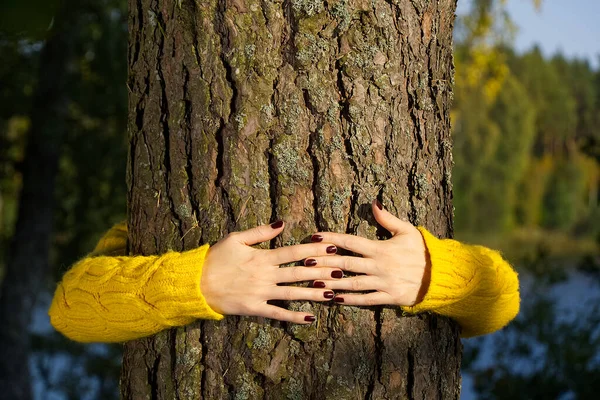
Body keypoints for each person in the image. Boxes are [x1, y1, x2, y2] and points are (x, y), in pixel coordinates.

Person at [48, 200, 520, 343]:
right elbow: (70, 309)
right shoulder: (147, 222)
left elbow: (502, 304)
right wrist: (200, 283)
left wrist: (434, 272)